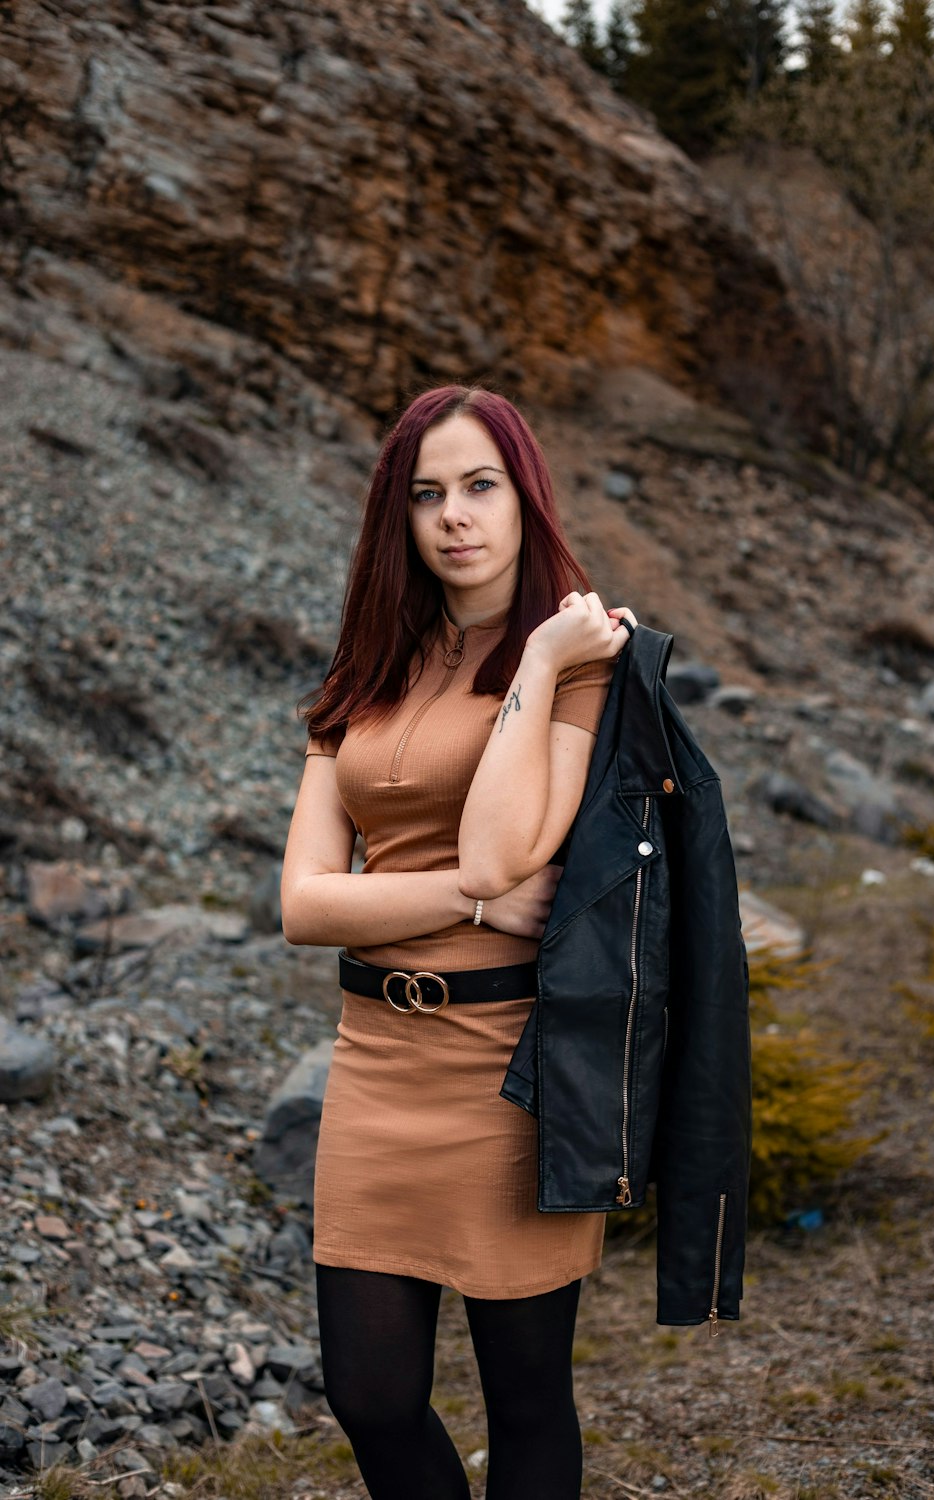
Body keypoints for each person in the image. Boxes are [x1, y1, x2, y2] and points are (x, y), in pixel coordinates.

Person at [280, 383, 636, 1500]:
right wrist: (471, 908)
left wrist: (530, 663)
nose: (454, 516)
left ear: (524, 497)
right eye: (426, 494)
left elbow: (497, 849)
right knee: (370, 1395)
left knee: (526, 1401)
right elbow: (302, 903)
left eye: (480, 485)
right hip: (376, 1067)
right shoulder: (364, 673)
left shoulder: (581, 664)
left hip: (507, 1073)